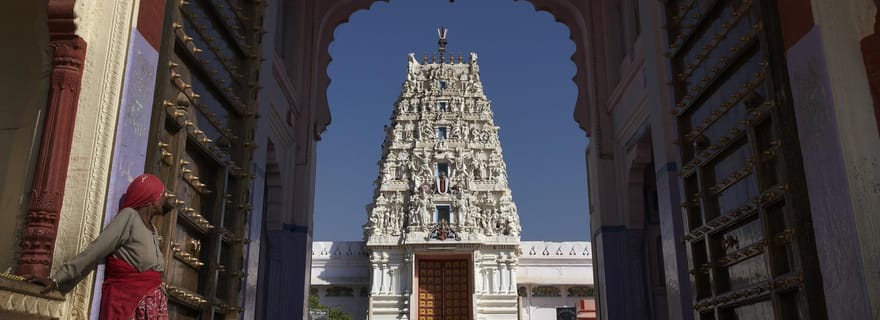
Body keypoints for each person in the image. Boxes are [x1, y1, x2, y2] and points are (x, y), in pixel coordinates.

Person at [25, 173, 171, 319]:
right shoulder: (129, 217)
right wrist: (57, 279)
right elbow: (96, 250)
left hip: (151, 307)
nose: (166, 198)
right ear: (151, 197)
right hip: (130, 305)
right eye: (162, 194)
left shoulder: (152, 229)